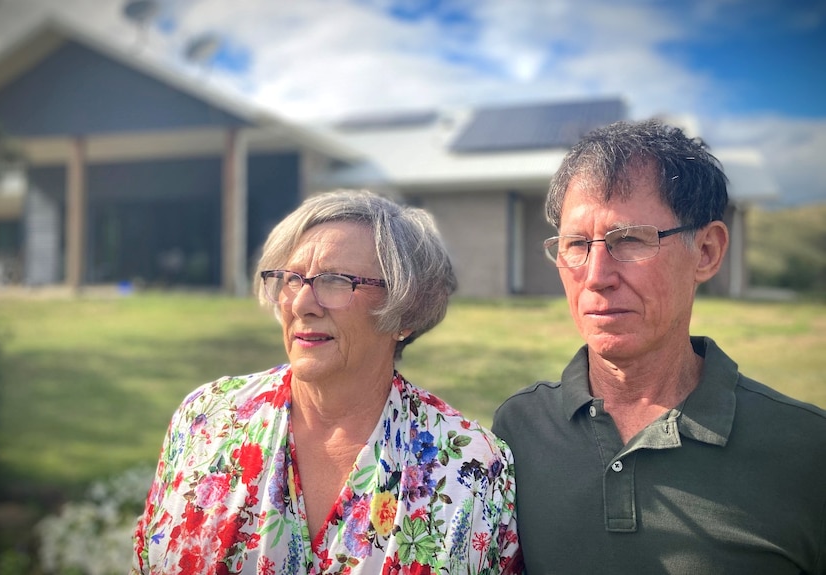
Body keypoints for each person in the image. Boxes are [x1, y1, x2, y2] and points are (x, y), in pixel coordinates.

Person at [493, 120, 826, 574]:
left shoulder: (807, 451)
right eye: (575, 244)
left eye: (628, 239)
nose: (595, 275)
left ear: (706, 251)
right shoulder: (518, 432)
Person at [133, 190, 522, 574]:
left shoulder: (470, 469)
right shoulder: (206, 418)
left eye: (335, 281)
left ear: (406, 310)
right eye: (291, 279)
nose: (302, 304)